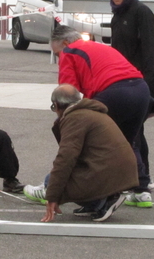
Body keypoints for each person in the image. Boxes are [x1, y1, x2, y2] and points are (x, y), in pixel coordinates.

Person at [47, 25, 152, 207]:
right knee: (128, 141)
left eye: (57, 54)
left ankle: (58, 185)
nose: (59, 59)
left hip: (114, 91)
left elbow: (68, 94)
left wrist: (64, 121)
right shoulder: (101, 47)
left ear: (65, 43)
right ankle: (141, 190)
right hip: (141, 89)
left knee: (87, 140)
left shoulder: (70, 51)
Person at [24, 85, 138, 222]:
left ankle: (102, 202)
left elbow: (65, 158)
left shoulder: (75, 118)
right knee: (59, 178)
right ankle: (95, 202)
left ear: (56, 105)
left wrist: (52, 196)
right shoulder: (92, 112)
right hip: (121, 172)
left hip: (108, 172)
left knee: (51, 181)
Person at [107, 0, 154, 206]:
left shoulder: (142, 12)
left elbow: (150, 53)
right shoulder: (116, 15)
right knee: (135, 131)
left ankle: (141, 183)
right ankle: (143, 178)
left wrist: (149, 87)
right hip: (120, 81)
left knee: (133, 131)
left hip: (140, 82)